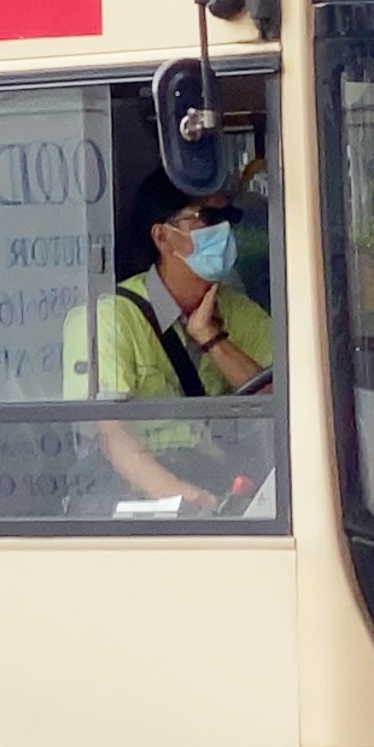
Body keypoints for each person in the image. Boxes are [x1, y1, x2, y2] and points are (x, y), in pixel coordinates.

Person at [88, 165, 274, 511]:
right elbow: (112, 437)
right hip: (140, 496)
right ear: (162, 237)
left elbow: (284, 403)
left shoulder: (239, 311)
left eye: (225, 218)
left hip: (216, 481)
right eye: (206, 218)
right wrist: (183, 498)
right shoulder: (111, 317)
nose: (221, 230)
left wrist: (212, 339)